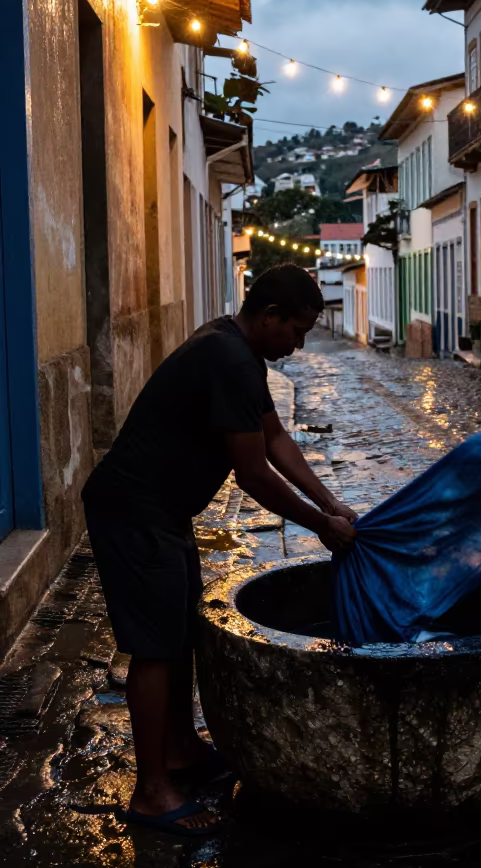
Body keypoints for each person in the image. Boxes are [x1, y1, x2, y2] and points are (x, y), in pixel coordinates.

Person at [82, 263, 356, 836]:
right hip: (135, 512)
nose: (299, 345)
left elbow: (275, 436)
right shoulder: (228, 357)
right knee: (154, 649)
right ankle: (153, 792)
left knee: (178, 633)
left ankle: (181, 751)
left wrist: (332, 502)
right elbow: (253, 473)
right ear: (269, 316)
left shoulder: (238, 350)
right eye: (296, 331)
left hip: (164, 512)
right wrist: (319, 526)